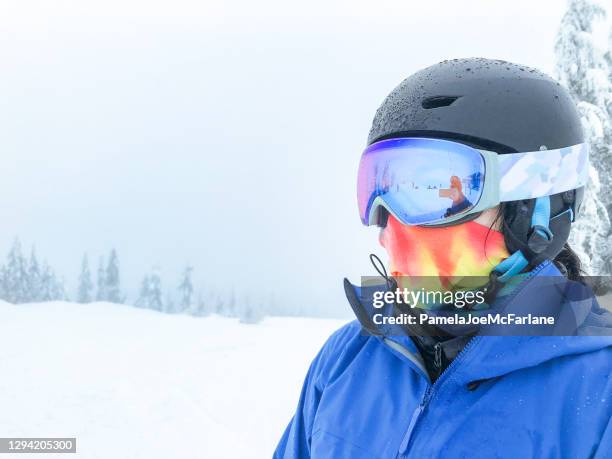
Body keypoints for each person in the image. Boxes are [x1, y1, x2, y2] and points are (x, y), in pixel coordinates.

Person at [274, 58, 612, 458]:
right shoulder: (350, 357)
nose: (393, 224)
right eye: (381, 187)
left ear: (534, 210)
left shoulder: (598, 392)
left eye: (438, 190)